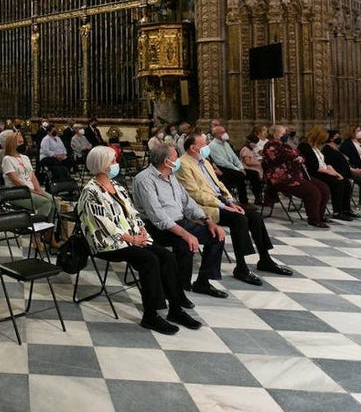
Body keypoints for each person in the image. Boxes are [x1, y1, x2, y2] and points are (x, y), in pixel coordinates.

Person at [78, 146, 200, 334]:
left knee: (166, 256)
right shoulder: (90, 191)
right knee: (149, 260)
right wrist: (132, 239)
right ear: (101, 165)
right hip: (108, 242)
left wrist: (142, 231)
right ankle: (150, 316)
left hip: (133, 237)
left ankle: (175, 308)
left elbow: (133, 213)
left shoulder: (117, 186)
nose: (115, 164)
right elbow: (103, 225)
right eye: (112, 162)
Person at [177, 134, 294, 284]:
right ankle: (241, 267)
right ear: (193, 148)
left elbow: (218, 184)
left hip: (221, 201)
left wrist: (231, 201)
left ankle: (265, 259)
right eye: (204, 144)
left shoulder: (204, 162)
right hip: (204, 207)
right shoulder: (183, 164)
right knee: (239, 219)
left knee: (254, 216)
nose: (207, 146)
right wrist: (223, 205)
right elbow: (194, 194)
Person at [131, 140, 228, 299]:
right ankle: (178, 290)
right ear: (166, 161)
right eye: (176, 157)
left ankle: (202, 282)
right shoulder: (144, 180)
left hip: (179, 222)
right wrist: (186, 234)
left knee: (217, 236)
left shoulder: (171, 175)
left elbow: (188, 202)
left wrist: (207, 220)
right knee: (185, 244)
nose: (178, 160)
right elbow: (158, 217)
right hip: (156, 228)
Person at [261, 124, 331, 228]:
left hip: (297, 174)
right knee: (312, 191)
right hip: (282, 178)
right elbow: (282, 157)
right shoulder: (270, 146)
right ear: (276, 135)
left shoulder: (284, 145)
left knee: (323, 188)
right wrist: (294, 157)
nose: (286, 135)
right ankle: (313, 219)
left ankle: (320, 215)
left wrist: (297, 157)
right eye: (283, 133)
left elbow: (299, 154)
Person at [299, 127, 361, 221]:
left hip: (322, 170)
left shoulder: (317, 147)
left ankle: (346, 209)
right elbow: (315, 167)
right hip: (314, 173)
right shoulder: (305, 146)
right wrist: (333, 174)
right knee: (338, 183)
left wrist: (336, 173)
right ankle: (337, 212)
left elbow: (326, 164)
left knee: (346, 182)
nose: (324, 141)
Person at [0, 128, 57, 221]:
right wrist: (33, 191)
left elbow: (32, 177)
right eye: (20, 143)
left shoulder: (25, 158)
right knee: (45, 203)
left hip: (31, 190)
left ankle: (49, 231)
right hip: (17, 193)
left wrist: (39, 190)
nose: (22, 145)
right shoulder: (7, 159)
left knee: (54, 201)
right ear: (13, 144)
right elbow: (16, 181)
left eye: (22, 142)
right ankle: (38, 231)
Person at [208, 124, 260, 204]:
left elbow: (234, 157)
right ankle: (244, 201)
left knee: (254, 174)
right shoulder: (212, 146)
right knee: (240, 175)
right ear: (216, 134)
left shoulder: (226, 144)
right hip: (223, 168)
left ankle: (258, 198)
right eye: (222, 132)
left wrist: (240, 167)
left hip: (234, 167)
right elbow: (222, 162)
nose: (225, 133)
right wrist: (237, 169)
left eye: (224, 131)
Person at [324, 129, 361, 208]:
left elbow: (345, 163)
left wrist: (356, 169)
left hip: (347, 170)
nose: (339, 138)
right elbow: (332, 165)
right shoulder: (328, 150)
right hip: (340, 172)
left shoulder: (336, 149)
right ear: (330, 138)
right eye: (336, 136)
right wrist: (355, 171)